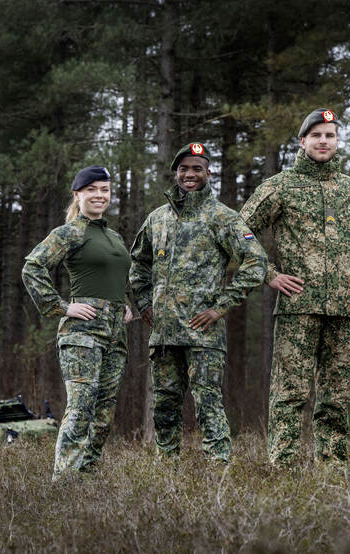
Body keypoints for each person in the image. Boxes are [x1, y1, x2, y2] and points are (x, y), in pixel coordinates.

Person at [240, 108, 350, 468]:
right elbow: (238, 233)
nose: (323, 141)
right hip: (298, 308)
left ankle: (332, 468)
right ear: (302, 141)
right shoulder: (280, 187)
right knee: (290, 394)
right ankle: (283, 469)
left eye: (330, 135)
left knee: (336, 396)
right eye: (316, 135)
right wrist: (270, 274)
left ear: (337, 141)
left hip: (343, 310)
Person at [129, 142, 267, 463]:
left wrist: (221, 306)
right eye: (184, 169)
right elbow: (138, 262)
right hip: (164, 335)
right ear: (176, 173)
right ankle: (167, 469)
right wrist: (144, 302)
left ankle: (218, 472)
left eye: (196, 169)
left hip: (203, 334)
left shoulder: (221, 217)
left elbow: (256, 262)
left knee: (207, 403)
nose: (190, 175)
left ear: (208, 173)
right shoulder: (157, 219)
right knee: (164, 405)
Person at [22, 165, 132, 480]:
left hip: (114, 335)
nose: (99, 196)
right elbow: (33, 267)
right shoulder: (70, 232)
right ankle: (63, 483)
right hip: (82, 334)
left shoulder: (113, 236)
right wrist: (60, 307)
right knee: (80, 409)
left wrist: (123, 303)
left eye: (105, 190)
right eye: (92, 190)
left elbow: (113, 276)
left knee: (103, 417)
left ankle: (84, 482)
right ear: (78, 195)